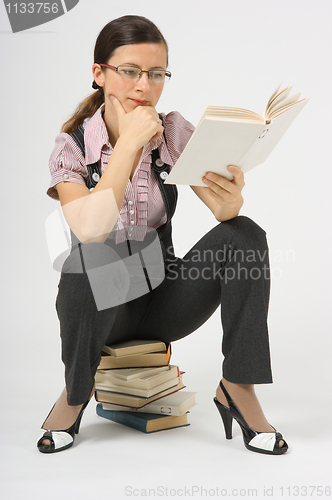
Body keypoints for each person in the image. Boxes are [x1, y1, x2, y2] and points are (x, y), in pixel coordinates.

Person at [38, 15, 288, 455]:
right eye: (129, 71)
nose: (143, 86)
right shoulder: (72, 145)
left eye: (156, 74)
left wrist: (232, 196)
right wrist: (130, 145)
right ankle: (74, 395)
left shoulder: (171, 131)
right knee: (84, 260)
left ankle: (238, 387)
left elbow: (223, 213)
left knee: (244, 235)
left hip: (166, 296)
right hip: (104, 308)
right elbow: (90, 227)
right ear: (99, 74)